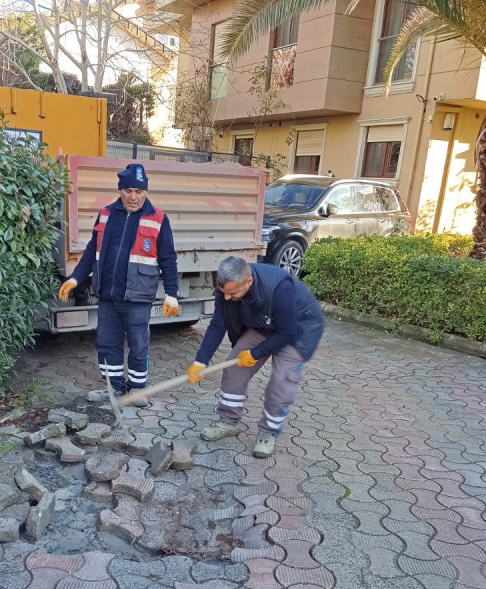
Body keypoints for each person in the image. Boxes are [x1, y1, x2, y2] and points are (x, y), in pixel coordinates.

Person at [58, 163, 179, 404]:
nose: (133, 197)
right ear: (120, 190)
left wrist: (172, 294)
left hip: (138, 296)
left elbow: (168, 259)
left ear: (145, 191)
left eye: (139, 191)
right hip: (108, 295)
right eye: (128, 191)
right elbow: (91, 251)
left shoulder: (158, 219)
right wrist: (75, 278)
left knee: (138, 344)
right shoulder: (106, 214)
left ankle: (137, 389)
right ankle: (113, 387)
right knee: (107, 343)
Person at [187, 256, 325, 458]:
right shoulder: (226, 289)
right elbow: (218, 324)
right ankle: (228, 422)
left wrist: (255, 353)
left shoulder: (279, 287)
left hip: (299, 329)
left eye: (233, 293)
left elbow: (287, 332)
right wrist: (201, 361)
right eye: (224, 292)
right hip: (264, 323)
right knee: (234, 367)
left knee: (281, 380)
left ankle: (268, 433)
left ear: (249, 281)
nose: (227, 298)